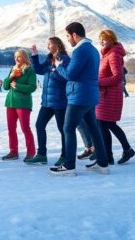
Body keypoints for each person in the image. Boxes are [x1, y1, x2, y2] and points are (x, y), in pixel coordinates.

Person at [49, 22, 109, 176]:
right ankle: (102, 163)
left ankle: (69, 166)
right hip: (90, 95)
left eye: (68, 36)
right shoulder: (94, 50)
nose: (68, 40)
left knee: (68, 129)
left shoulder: (80, 50)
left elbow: (70, 75)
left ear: (75, 35)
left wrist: (58, 66)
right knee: (94, 129)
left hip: (79, 97)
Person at [27, 37, 70, 166]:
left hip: (60, 101)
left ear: (57, 44)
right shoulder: (49, 59)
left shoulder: (65, 59)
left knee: (62, 129)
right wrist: (34, 56)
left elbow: (67, 76)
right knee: (39, 125)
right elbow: (39, 70)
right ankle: (41, 155)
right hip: (47, 101)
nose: (48, 47)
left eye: (50, 44)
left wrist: (57, 68)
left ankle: (65, 155)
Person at [97, 30, 135, 165]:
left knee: (106, 124)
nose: (102, 41)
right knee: (105, 124)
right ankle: (116, 153)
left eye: (105, 39)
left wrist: (98, 82)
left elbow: (117, 77)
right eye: (100, 39)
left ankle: (116, 153)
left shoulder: (113, 55)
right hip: (105, 94)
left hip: (110, 94)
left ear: (112, 39)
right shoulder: (107, 54)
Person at [1, 49, 37, 161]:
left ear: (24, 57)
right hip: (10, 103)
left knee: (25, 128)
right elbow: (6, 86)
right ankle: (13, 152)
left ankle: (31, 152)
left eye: (19, 56)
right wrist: (10, 76)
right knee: (11, 129)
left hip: (23, 103)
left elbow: (32, 87)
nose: (16, 59)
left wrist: (18, 86)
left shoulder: (29, 70)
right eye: (15, 56)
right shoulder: (13, 69)